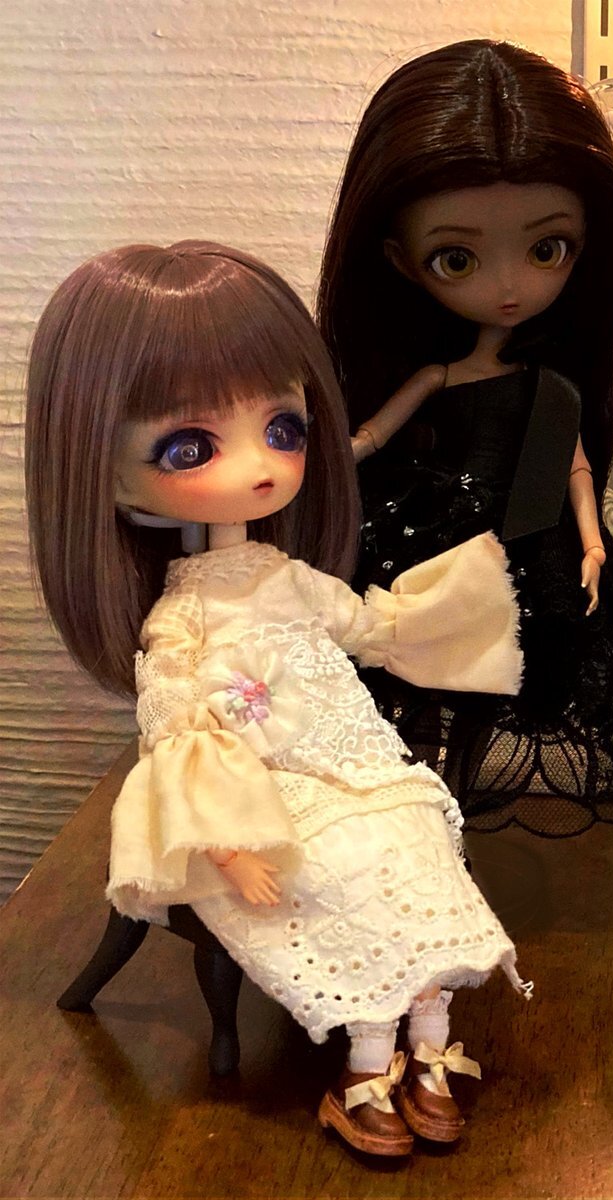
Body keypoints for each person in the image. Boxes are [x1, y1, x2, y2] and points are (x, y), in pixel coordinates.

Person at [24, 240, 531, 1157]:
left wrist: (456, 617)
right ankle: (362, 1069)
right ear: (103, 468)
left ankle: (428, 1043)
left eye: (284, 429)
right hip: (262, 799)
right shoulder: (180, 622)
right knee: (342, 872)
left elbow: (365, 624)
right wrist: (227, 843)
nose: (259, 466)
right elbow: (176, 735)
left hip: (356, 770)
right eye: (191, 446)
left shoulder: (287, 577)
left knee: (419, 847)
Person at [317, 39, 613, 835]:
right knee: (410, 684)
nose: (508, 288)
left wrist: (592, 546)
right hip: (429, 543)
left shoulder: (553, 391)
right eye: (457, 258)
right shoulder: (438, 376)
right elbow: (372, 434)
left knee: (494, 687)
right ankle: (408, 818)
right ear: (400, 261)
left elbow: (576, 469)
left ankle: (454, 815)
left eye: (547, 249)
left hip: (525, 548)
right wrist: (331, 458)